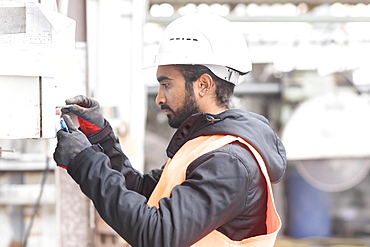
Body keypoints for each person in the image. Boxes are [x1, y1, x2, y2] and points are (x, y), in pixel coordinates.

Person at [54, 13, 286, 247]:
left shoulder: (229, 162)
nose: (159, 98)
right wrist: (100, 137)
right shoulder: (204, 146)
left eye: (166, 84)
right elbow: (144, 193)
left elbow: (158, 235)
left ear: (203, 85)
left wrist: (85, 161)